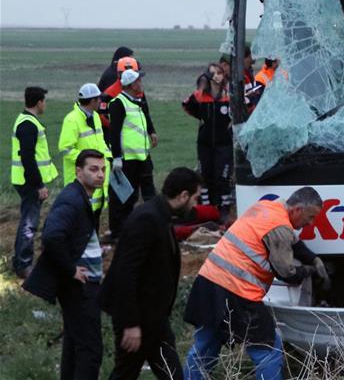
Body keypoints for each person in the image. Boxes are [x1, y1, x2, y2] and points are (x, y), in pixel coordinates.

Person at [183, 187, 328, 380]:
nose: (310, 223)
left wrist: (312, 258)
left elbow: (293, 242)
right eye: (310, 217)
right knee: (269, 349)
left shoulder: (267, 206)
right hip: (237, 293)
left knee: (205, 347)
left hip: (208, 283)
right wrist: (309, 271)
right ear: (297, 210)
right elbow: (287, 273)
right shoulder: (280, 227)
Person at [102, 167, 202, 380]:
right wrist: (131, 324)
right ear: (183, 195)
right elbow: (125, 273)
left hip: (154, 319)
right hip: (138, 319)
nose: (196, 204)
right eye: (195, 198)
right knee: (126, 373)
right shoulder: (147, 218)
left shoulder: (160, 215)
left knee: (172, 375)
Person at [23, 149, 107, 380]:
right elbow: (51, 236)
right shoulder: (72, 200)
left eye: (102, 169)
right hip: (80, 286)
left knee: (74, 345)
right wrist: (71, 269)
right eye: (93, 169)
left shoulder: (80, 196)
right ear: (78, 172)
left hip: (81, 284)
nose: (100, 174)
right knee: (90, 350)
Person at [11, 86, 59, 279]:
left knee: (27, 221)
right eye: (44, 101)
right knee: (29, 225)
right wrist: (39, 185)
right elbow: (28, 158)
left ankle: (19, 262)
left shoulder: (26, 121)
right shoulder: (28, 125)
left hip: (25, 179)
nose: (45, 104)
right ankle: (24, 265)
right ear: (39, 102)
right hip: (29, 181)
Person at [107, 68, 158, 241]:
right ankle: (118, 232)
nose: (141, 83)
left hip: (142, 156)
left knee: (146, 193)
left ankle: (149, 226)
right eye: (138, 81)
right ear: (130, 85)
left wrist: (151, 132)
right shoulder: (118, 103)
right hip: (128, 159)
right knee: (123, 196)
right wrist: (117, 157)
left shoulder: (138, 101)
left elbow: (145, 120)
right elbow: (115, 132)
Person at [182, 63, 234, 215]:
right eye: (214, 73)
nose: (217, 76)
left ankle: (224, 207)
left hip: (224, 143)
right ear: (208, 76)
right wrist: (202, 118)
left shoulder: (228, 95)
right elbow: (186, 104)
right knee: (205, 175)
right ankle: (206, 206)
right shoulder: (200, 95)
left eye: (220, 73)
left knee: (222, 176)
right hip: (204, 144)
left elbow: (244, 107)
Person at [59, 83, 112, 226]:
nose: (101, 101)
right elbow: (65, 149)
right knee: (81, 224)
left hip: (96, 179)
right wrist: (88, 161)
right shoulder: (72, 120)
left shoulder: (95, 117)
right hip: (81, 180)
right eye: (98, 99)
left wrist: (108, 157)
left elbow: (100, 142)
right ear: (92, 101)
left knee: (95, 219)